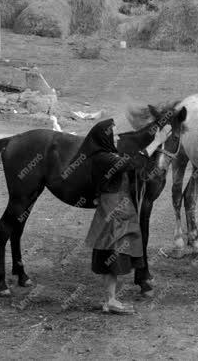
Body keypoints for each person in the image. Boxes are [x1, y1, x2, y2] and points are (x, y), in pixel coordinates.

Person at [80, 118, 171, 314]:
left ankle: (109, 299)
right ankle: (111, 300)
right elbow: (133, 162)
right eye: (113, 135)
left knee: (110, 252)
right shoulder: (104, 158)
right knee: (114, 253)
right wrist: (157, 141)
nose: (117, 137)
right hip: (115, 210)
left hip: (114, 206)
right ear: (104, 138)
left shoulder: (103, 154)